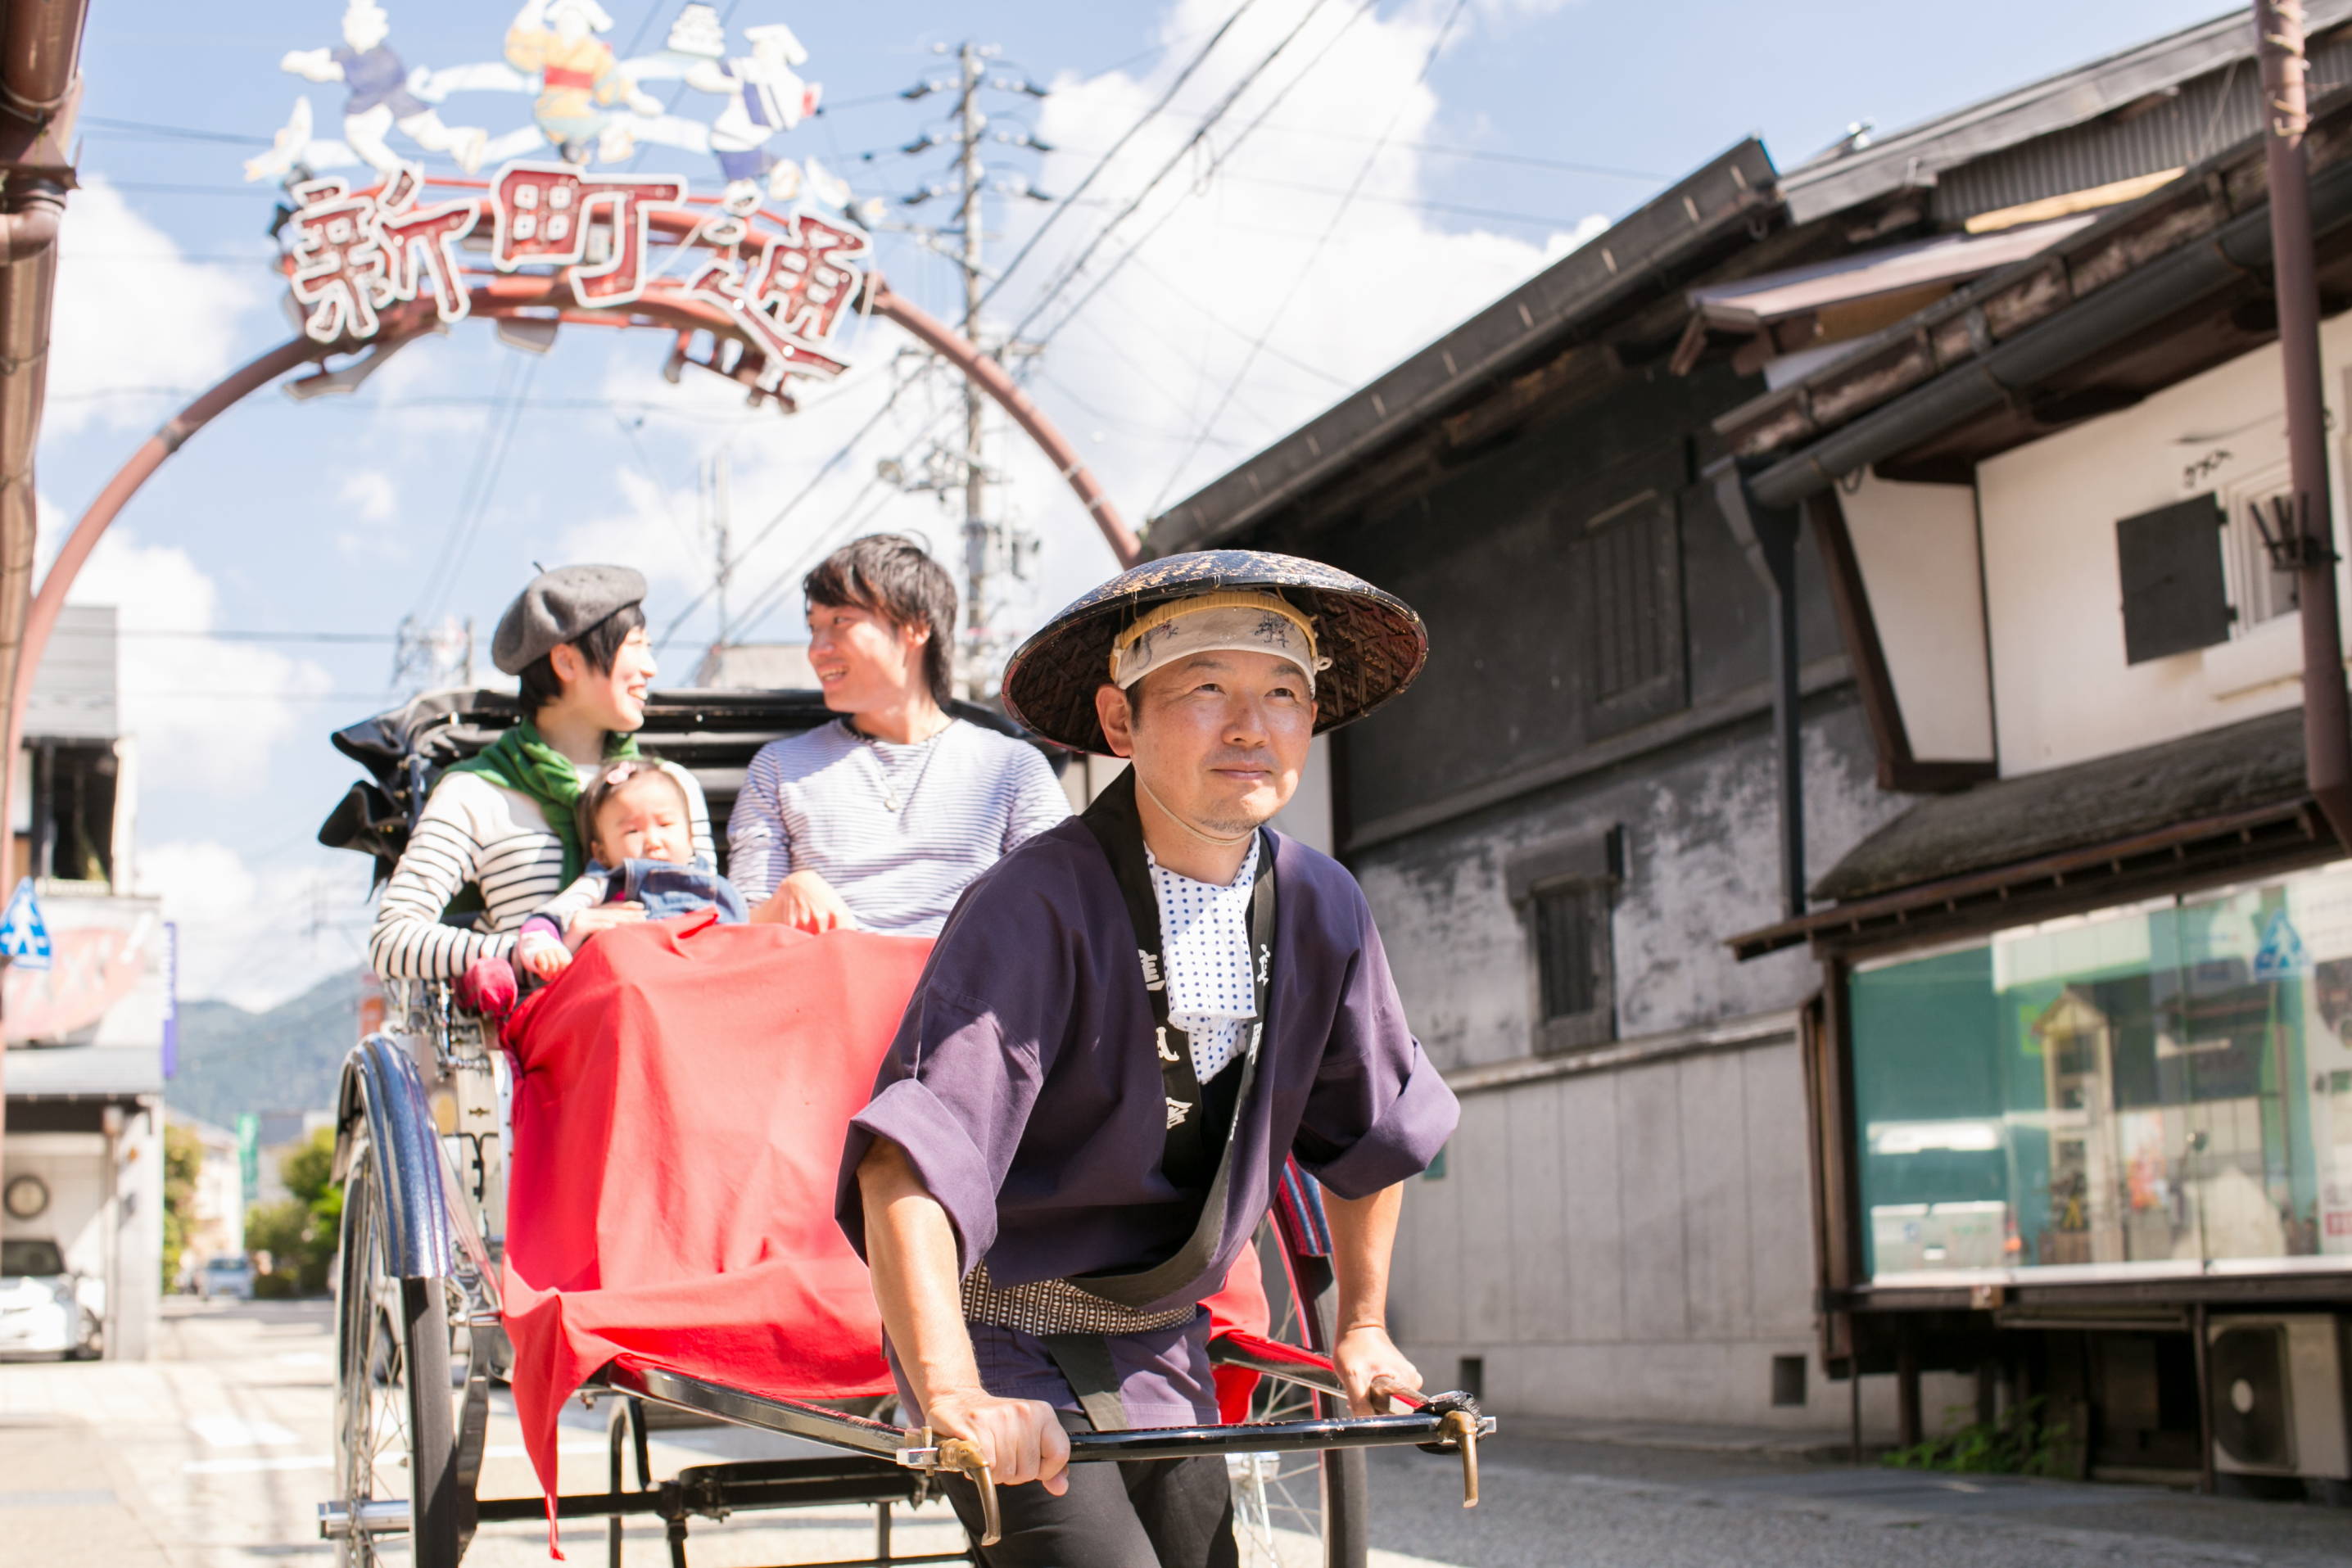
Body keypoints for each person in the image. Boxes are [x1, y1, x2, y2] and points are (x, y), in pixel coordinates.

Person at [838, 551, 1457, 1566]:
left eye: (1284, 694)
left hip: (1159, 1334)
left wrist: (1364, 1323)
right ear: (1120, 724)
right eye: (1207, 688)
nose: (1250, 725)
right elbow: (905, 1160)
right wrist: (952, 1390)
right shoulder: (1032, 905)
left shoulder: (1323, 904)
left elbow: (1373, 1126)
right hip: (998, 1331)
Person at [367, 565, 714, 982]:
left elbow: (707, 911)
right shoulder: (476, 792)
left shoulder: (668, 786)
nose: (651, 667)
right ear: (567, 662)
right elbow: (391, 941)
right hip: (543, 1035)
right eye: (635, 646)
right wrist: (531, 945)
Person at [727, 535, 1070, 937]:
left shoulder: (1013, 767)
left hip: (972, 989)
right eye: (813, 628)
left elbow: (1060, 904)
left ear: (915, 627)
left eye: (840, 622)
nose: (817, 649)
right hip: (830, 985)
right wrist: (788, 895)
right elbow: (741, 926)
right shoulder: (778, 767)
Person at [513, 757, 750, 981]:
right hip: (640, 977)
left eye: (665, 824)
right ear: (602, 853)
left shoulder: (710, 885)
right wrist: (547, 949)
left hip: (707, 974)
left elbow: (741, 933)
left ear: (690, 837)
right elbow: (549, 918)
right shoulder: (605, 883)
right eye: (632, 831)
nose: (653, 841)